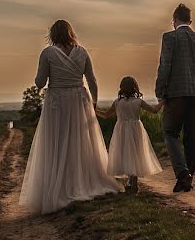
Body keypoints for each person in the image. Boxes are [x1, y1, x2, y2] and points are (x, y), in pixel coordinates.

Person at [19, 20, 121, 213]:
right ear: (70, 33)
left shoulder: (48, 53)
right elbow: (92, 79)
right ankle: (83, 182)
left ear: (53, 35)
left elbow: (40, 82)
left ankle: (60, 186)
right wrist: (93, 102)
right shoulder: (82, 52)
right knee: (80, 142)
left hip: (57, 102)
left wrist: (42, 78)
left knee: (56, 142)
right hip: (79, 100)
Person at [154, 3, 195, 192]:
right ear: (190, 21)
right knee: (191, 138)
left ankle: (183, 174)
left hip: (176, 94)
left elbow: (165, 66)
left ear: (174, 20)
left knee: (170, 133)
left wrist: (160, 92)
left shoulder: (169, 37)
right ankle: (187, 179)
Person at [96, 77, 164, 193]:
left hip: (121, 130)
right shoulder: (138, 102)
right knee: (135, 153)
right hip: (135, 129)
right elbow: (154, 110)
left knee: (125, 153)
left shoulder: (117, 102)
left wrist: (93, 110)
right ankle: (133, 181)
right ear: (135, 88)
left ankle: (130, 181)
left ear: (121, 88)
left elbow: (106, 115)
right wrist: (163, 101)